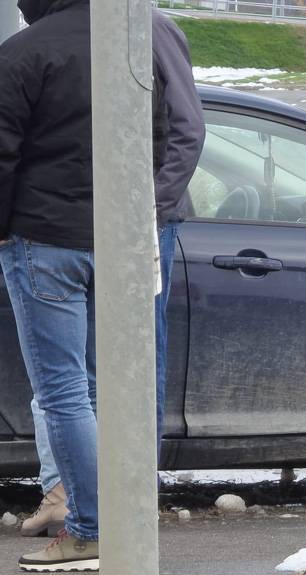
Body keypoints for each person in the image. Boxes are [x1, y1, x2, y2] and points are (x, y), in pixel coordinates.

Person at [0, 0, 204, 571]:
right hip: (132, 240)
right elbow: (180, 132)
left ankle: (91, 529)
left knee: (65, 391)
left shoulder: (21, 53)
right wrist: (149, 215)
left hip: (46, 239)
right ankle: (131, 517)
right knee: (135, 380)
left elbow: (1, 154)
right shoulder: (142, 38)